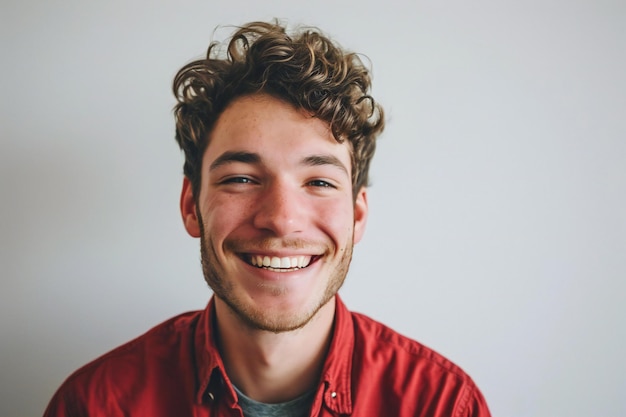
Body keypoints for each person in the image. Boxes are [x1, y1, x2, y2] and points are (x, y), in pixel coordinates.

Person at [43, 20, 491, 417]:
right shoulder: (96, 405)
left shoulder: (443, 406)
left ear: (357, 216)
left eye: (318, 182)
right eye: (240, 179)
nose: (281, 219)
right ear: (190, 206)